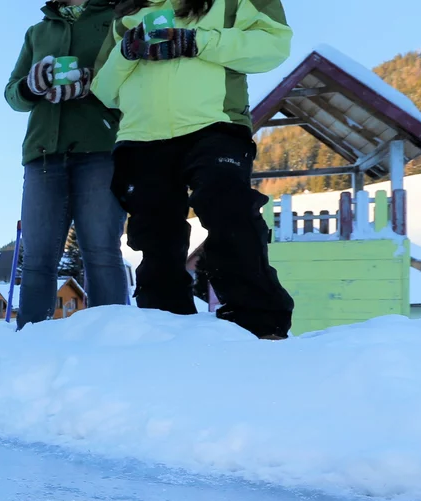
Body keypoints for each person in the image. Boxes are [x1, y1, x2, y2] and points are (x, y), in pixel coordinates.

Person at [90, 0, 295, 339]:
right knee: (154, 232)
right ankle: (164, 321)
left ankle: (259, 322)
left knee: (226, 207)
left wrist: (197, 42)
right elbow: (104, 89)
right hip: (141, 135)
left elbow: (273, 46)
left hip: (215, 125)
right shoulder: (126, 12)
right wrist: (126, 52)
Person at [6, 0, 131, 329]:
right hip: (43, 154)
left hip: (101, 150)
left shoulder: (117, 20)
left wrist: (95, 83)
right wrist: (31, 85)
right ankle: (31, 340)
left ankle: (114, 337)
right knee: (37, 259)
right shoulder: (38, 32)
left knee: (101, 252)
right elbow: (12, 95)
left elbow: (133, 80)